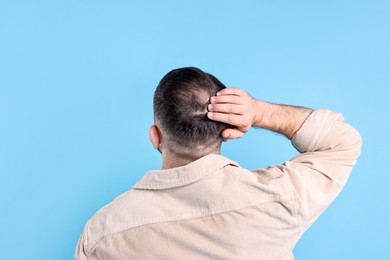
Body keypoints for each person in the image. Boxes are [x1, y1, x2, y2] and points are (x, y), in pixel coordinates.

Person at [75, 67, 362, 259]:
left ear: (155, 136)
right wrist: (259, 112)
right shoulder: (279, 201)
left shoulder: (102, 233)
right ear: (227, 130)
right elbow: (342, 142)